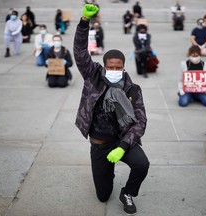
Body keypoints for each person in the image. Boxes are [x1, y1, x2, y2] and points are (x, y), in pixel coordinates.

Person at [73, 4, 149, 216]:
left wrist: (123, 146)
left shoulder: (132, 89)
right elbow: (79, 52)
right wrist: (83, 22)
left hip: (121, 141)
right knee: (103, 195)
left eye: (118, 67)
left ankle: (127, 192)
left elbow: (141, 122)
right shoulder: (93, 76)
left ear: (124, 67)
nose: (114, 71)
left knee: (142, 164)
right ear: (104, 66)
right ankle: (107, 173)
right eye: (110, 67)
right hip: (99, 143)